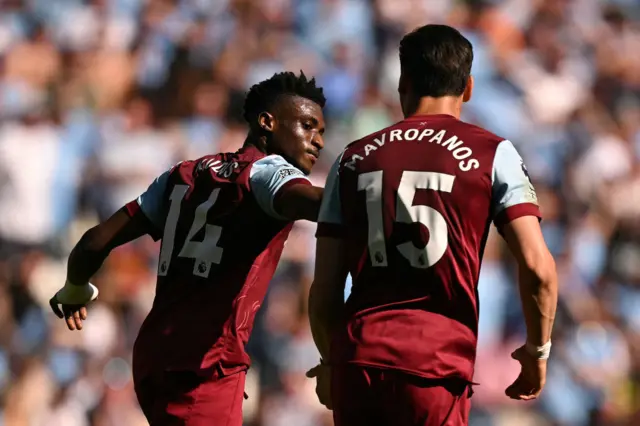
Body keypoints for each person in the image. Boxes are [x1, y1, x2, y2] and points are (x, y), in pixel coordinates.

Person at [307, 24, 558, 426]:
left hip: (359, 360)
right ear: (469, 87)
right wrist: (537, 351)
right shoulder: (493, 153)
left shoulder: (351, 159)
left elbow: (324, 289)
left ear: (403, 82)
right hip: (434, 366)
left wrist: (329, 359)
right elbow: (537, 268)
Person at [49, 71, 326, 426]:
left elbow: (95, 241)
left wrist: (75, 287)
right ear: (267, 122)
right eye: (307, 126)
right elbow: (309, 200)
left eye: (320, 131)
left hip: (154, 355)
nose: (317, 140)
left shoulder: (181, 174)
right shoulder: (269, 173)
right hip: (205, 363)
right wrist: (371, 187)